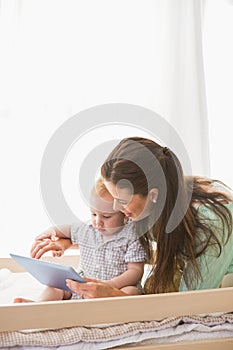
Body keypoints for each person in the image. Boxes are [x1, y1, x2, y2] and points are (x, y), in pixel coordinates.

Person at [23, 136, 233, 299]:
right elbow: (118, 236)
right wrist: (68, 240)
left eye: (122, 201)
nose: (116, 208)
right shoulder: (156, 201)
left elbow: (191, 302)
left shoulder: (210, 224)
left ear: (153, 196)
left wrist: (114, 295)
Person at [14, 178, 147, 302]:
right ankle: (38, 306)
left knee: (131, 292)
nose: (97, 222)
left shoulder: (132, 235)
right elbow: (65, 229)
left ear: (124, 214)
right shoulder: (87, 228)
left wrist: (110, 285)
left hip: (115, 290)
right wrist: (49, 233)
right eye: (94, 214)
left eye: (106, 216)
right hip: (83, 287)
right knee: (54, 287)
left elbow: (135, 271)